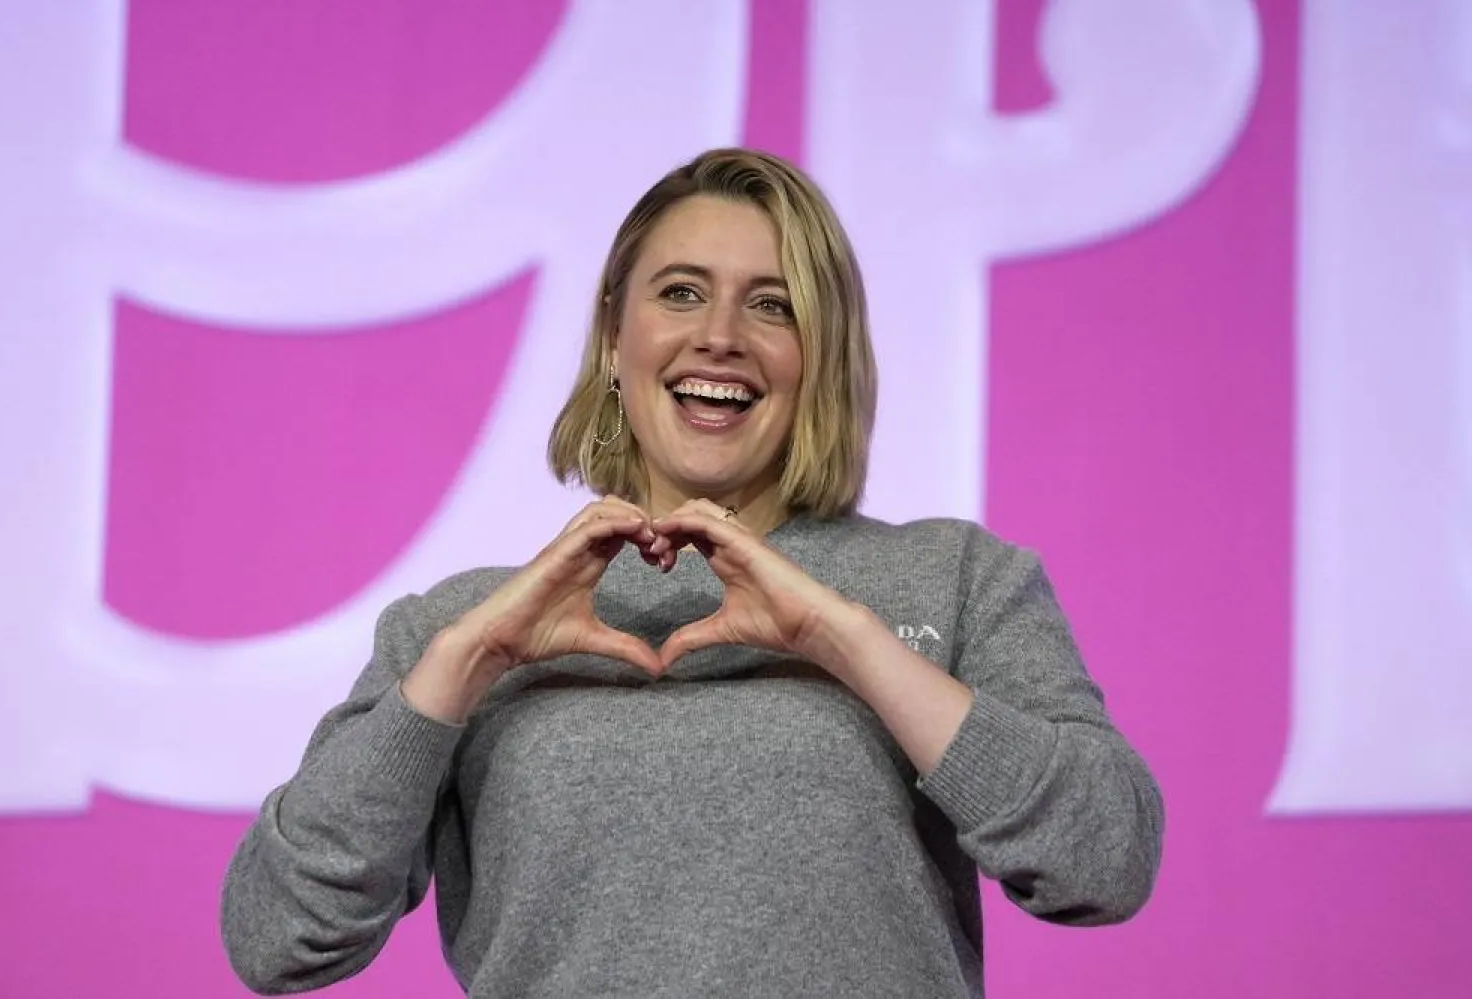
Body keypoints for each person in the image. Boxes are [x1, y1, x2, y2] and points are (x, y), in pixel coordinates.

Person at [221, 147, 1164, 998]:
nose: (720, 335)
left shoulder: (956, 579)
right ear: (613, 334)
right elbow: (279, 935)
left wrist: (844, 639)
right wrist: (467, 665)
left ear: (821, 354)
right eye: (679, 292)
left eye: (774, 304)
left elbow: (1103, 858)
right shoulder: (461, 624)